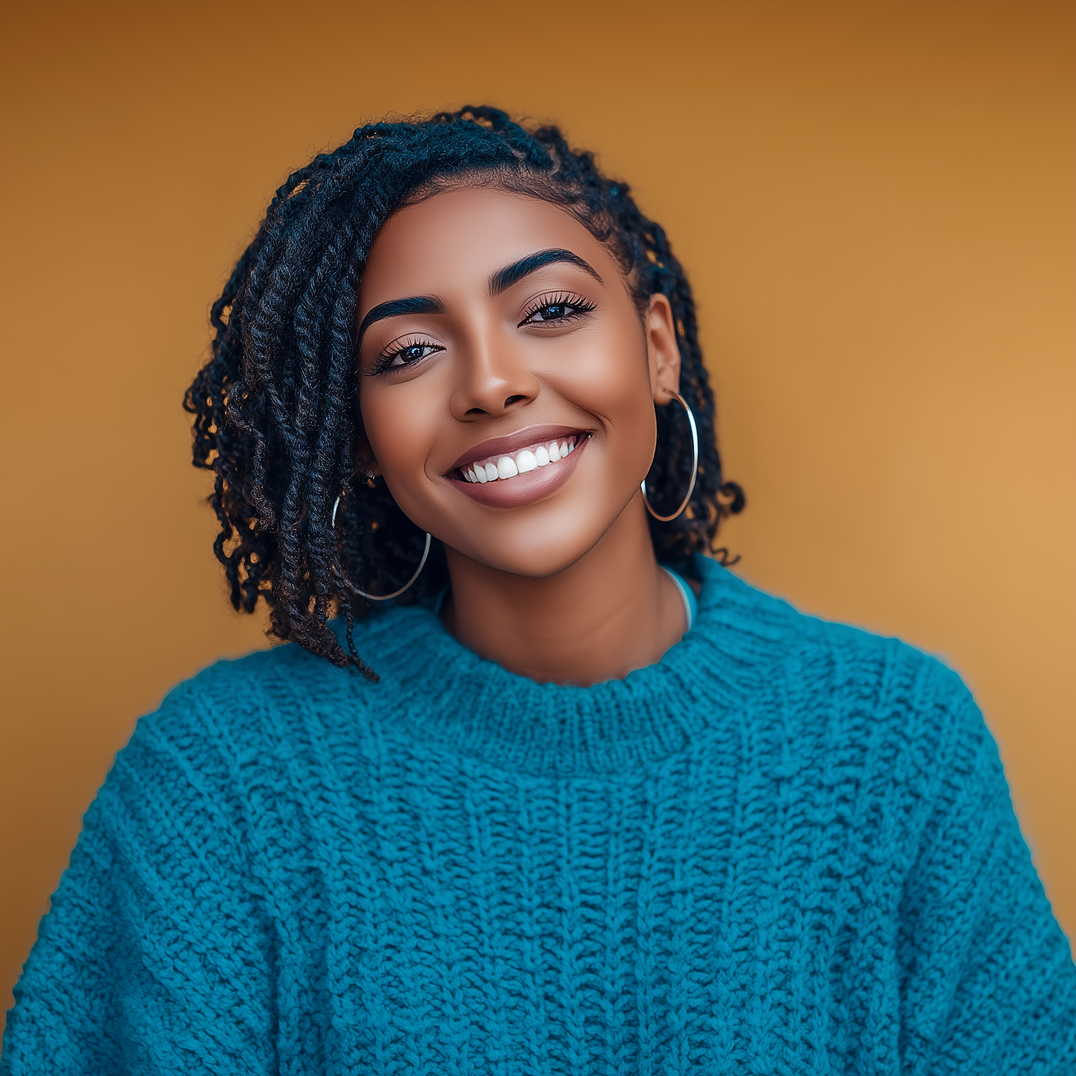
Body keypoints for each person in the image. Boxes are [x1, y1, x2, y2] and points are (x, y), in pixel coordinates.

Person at [3, 106, 1073, 1075]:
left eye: (550, 308)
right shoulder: (222, 779)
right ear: (363, 437)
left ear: (655, 349)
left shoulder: (894, 742)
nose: (491, 381)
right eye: (410, 350)